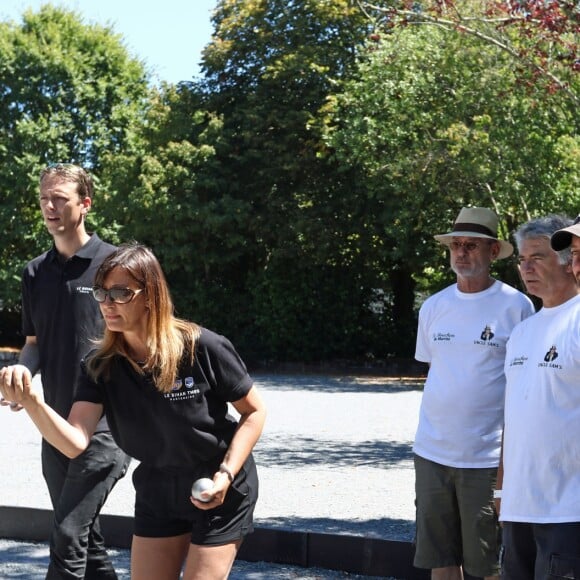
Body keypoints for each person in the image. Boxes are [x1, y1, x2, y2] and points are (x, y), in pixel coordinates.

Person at [0, 242, 267, 580]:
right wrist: (33, 404)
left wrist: (226, 474)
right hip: (157, 485)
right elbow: (74, 442)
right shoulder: (100, 365)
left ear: (150, 296)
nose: (107, 304)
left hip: (218, 483)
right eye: (102, 293)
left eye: (120, 293)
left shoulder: (203, 347)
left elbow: (255, 412)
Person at [0, 163, 130, 579]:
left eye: (60, 198)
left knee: (69, 533)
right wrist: (22, 375)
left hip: (110, 425)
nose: (50, 207)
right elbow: (34, 344)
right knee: (86, 539)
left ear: (85, 204)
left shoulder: (115, 264)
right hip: (54, 423)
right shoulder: (34, 272)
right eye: (44, 199)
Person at [413, 207, 535, 580]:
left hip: (484, 457)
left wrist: (506, 463)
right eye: (456, 245)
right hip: (432, 452)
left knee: (487, 565)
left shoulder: (516, 306)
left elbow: (524, 386)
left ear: (493, 252)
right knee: (441, 559)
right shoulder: (434, 306)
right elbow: (435, 371)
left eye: (472, 245)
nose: (461, 253)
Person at [497, 215, 580, 579]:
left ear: (567, 261)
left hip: (567, 508)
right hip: (519, 505)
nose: (525, 267)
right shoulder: (522, 331)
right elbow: (513, 416)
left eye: (538, 257)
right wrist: (501, 491)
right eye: (521, 259)